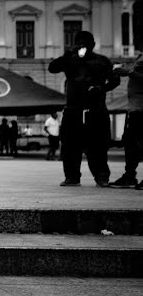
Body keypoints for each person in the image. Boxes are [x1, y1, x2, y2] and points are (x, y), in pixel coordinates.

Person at [48, 29, 119, 187]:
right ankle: (72, 176)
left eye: (86, 43)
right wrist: (68, 54)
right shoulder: (70, 60)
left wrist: (102, 89)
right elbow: (52, 68)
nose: (82, 46)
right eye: (79, 43)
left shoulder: (102, 61)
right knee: (69, 145)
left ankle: (101, 176)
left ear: (93, 45)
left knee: (98, 145)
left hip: (96, 108)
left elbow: (115, 80)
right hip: (73, 109)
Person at [110, 52, 143, 189]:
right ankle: (130, 175)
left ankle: (130, 175)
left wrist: (129, 72)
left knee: (138, 141)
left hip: (141, 108)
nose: (134, 38)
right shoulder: (140, 56)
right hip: (134, 108)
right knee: (129, 141)